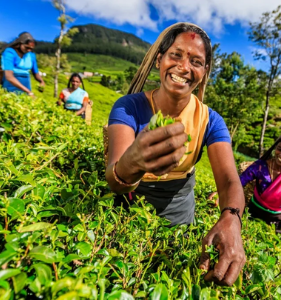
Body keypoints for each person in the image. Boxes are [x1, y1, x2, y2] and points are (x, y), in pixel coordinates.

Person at [105, 22, 245, 286]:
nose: (184, 67)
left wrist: (231, 217)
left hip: (180, 206)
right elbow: (114, 179)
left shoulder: (210, 121)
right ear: (160, 60)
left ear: (203, 73)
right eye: (176, 55)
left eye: (196, 61)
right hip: (130, 202)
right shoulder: (129, 108)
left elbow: (228, 180)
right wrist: (132, 163)